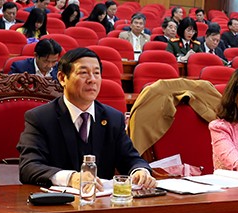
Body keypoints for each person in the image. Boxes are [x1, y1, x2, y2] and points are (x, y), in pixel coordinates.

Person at [17, 48, 155, 188]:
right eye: (83, 73)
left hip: (103, 203)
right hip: (59, 204)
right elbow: (29, 167)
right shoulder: (40, 118)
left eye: (96, 73)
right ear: (62, 78)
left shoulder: (113, 118)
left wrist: (140, 171)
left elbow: (131, 159)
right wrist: (71, 178)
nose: (92, 80)